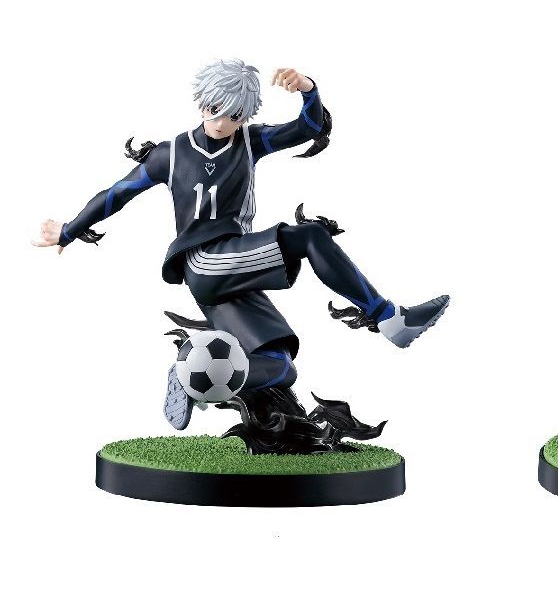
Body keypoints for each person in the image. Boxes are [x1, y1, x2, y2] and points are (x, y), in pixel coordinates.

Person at [33, 59, 449, 439]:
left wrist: (308, 89)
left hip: (232, 271)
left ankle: (191, 379)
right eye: (214, 109)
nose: (221, 121)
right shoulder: (170, 155)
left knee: (281, 366)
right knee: (309, 237)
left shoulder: (251, 142)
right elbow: (116, 194)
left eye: (234, 115)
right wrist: (67, 231)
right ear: (200, 102)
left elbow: (307, 127)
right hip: (205, 261)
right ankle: (390, 319)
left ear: (246, 115)